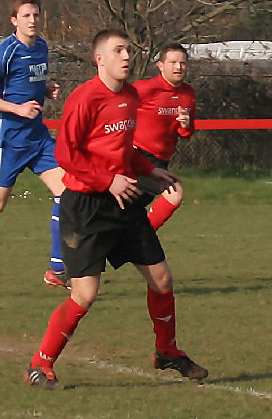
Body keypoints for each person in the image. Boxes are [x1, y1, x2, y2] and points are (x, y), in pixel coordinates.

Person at [25, 29, 207, 390]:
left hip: (124, 202)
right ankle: (39, 364)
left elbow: (121, 149)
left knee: (162, 279)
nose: (126, 56)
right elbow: (66, 155)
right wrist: (107, 181)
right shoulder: (84, 98)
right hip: (88, 206)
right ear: (100, 59)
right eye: (118, 51)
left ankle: (166, 351)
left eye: (128, 50)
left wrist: (147, 169)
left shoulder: (129, 96)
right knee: (85, 295)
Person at [0, 0, 69, 289]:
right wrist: (17, 109)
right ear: (14, 20)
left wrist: (46, 89)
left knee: (68, 192)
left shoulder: (41, 47)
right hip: (9, 139)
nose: (33, 21)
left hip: (37, 138)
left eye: (36, 15)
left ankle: (57, 268)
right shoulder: (6, 50)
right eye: (26, 16)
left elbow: (27, 84)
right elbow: (11, 97)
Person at [133, 42, 196, 230]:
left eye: (183, 63)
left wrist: (185, 125)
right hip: (138, 155)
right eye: (173, 62)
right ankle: (142, 238)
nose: (178, 67)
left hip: (161, 160)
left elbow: (186, 133)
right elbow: (117, 106)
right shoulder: (145, 88)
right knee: (174, 193)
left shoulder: (188, 94)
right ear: (160, 66)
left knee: (129, 208)